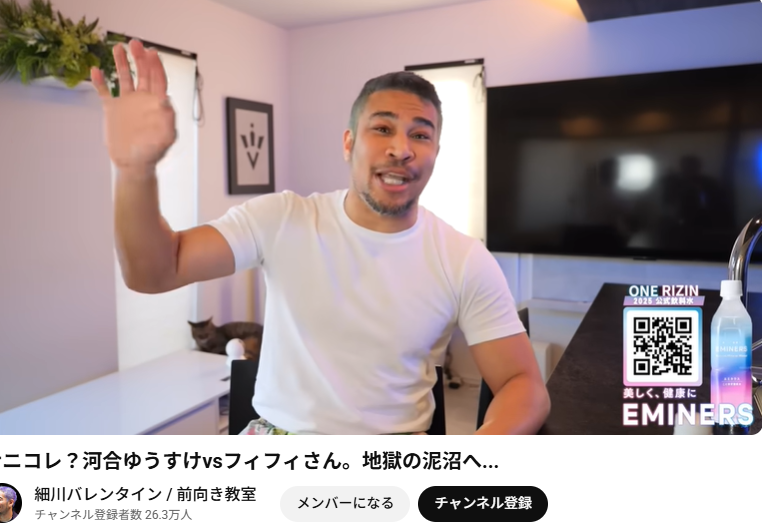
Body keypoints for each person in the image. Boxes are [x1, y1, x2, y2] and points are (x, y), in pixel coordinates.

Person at [90, 40, 551, 435]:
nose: (401, 149)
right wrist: (135, 172)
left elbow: (523, 384)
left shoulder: (463, 259)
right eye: (382, 128)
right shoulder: (282, 218)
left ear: (435, 152)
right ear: (349, 143)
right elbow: (155, 271)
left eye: (420, 135)